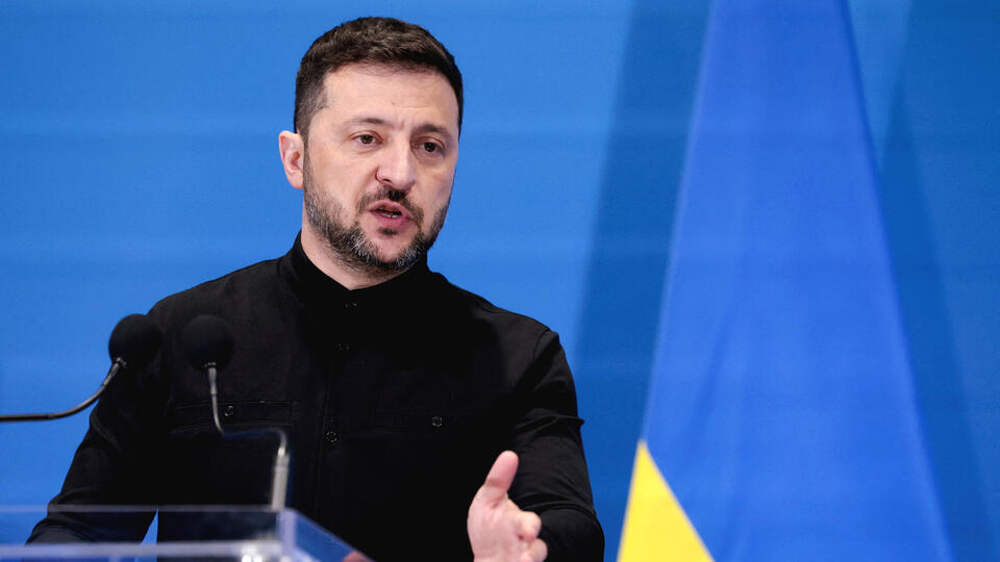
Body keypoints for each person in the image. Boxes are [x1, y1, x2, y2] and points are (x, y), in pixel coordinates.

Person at [30, 16, 603, 561]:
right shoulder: (179, 336)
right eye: (367, 138)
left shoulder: (518, 357)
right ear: (295, 159)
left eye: (430, 146)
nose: (400, 174)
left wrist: (528, 550)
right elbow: (78, 530)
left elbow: (568, 524)